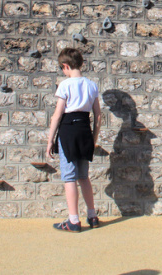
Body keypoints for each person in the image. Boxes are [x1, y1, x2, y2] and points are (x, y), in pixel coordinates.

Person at [46, 47, 102, 232]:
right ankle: (92, 216)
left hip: (69, 130)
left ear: (65, 66)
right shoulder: (92, 85)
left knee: (69, 177)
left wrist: (50, 141)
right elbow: (98, 116)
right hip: (85, 129)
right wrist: (93, 139)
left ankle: (73, 220)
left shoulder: (65, 85)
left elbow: (57, 115)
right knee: (83, 176)